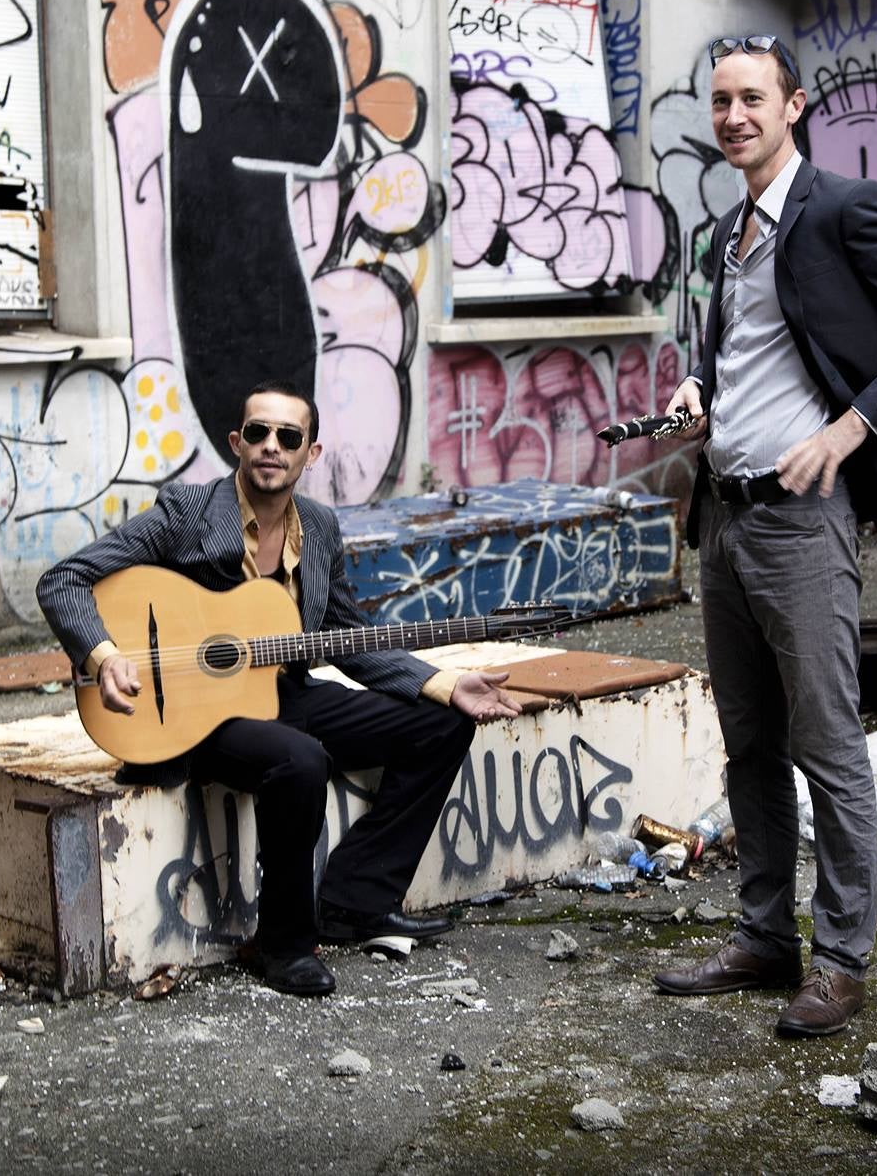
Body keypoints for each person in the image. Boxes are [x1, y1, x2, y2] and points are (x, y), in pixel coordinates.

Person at [654, 35, 877, 1037]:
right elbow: (747, 348)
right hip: (724, 516)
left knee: (826, 743)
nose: (732, 116)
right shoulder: (724, 231)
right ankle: (764, 937)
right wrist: (698, 388)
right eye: (718, 100)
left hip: (803, 526)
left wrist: (850, 428)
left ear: (792, 105)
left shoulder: (842, 209)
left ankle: (839, 958)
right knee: (749, 743)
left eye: (751, 98)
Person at [36, 381, 520, 997]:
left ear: (309, 454)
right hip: (193, 715)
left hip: (282, 693)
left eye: (288, 437)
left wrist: (444, 683)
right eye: (258, 433)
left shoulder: (317, 528)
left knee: (442, 722)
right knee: (300, 759)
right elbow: (64, 581)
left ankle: (355, 898)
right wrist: (104, 654)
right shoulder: (187, 514)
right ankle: (283, 944)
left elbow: (349, 637)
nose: (272, 446)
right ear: (237, 442)